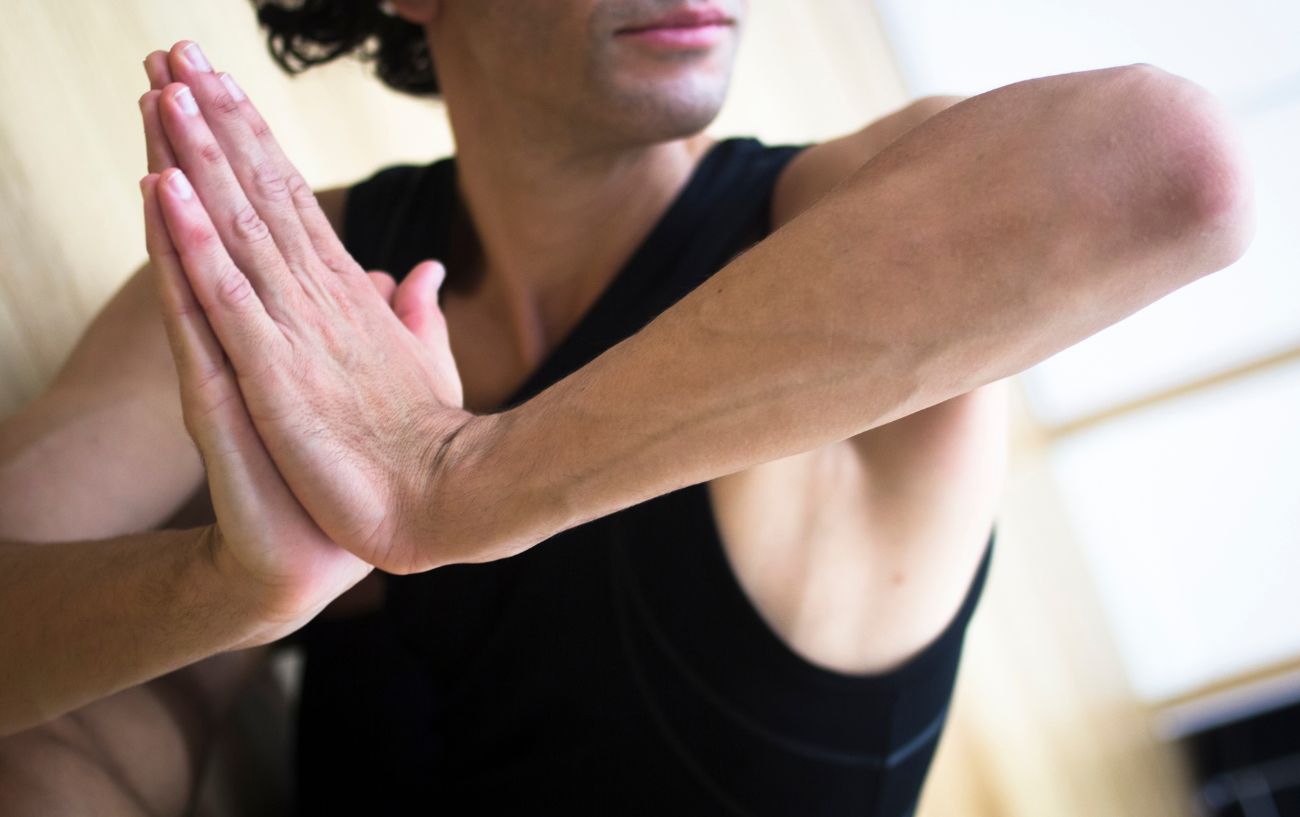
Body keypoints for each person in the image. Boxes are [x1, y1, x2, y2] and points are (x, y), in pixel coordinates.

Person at [0, 1, 1254, 815]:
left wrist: (454, 479)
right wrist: (230, 586)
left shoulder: (841, 249)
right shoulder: (304, 263)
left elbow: (1176, 168)